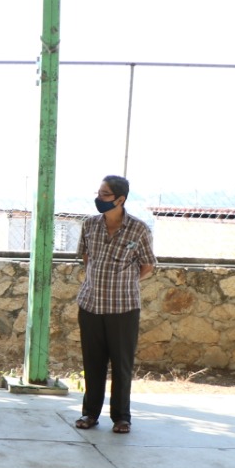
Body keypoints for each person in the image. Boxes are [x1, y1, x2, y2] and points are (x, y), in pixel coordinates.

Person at [75, 175, 156, 434]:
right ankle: (90, 414)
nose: (99, 198)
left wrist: (123, 280)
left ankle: (122, 418)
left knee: (121, 365)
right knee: (93, 363)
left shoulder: (139, 229)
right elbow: (86, 258)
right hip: (90, 305)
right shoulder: (89, 225)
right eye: (99, 193)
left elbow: (147, 266)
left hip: (123, 308)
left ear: (121, 199)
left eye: (105, 194)